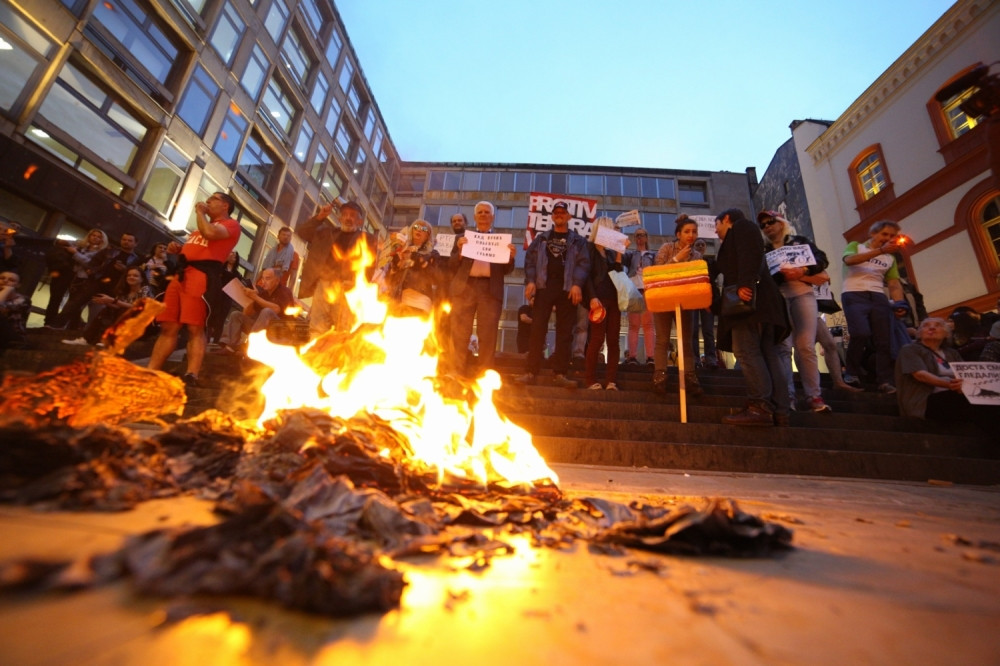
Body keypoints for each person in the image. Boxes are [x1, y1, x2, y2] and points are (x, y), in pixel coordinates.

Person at [148, 191, 240, 387]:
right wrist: (178, 250)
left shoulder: (230, 225)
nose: (207, 202)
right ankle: (152, 370)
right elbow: (198, 245)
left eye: (213, 199)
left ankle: (192, 373)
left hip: (202, 275)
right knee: (169, 325)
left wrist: (200, 213)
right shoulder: (198, 229)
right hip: (182, 274)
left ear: (225, 206)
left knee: (195, 326)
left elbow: (211, 234)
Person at [714, 208, 791, 426]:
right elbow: (720, 267)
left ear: (726, 219)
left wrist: (745, 283)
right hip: (762, 304)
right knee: (768, 355)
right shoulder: (734, 237)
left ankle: (760, 406)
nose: (716, 231)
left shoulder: (742, 227)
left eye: (717, 225)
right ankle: (780, 409)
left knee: (746, 351)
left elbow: (752, 252)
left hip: (750, 304)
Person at [759, 210, 832, 413]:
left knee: (806, 346)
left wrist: (803, 272)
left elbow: (821, 261)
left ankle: (813, 395)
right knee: (782, 347)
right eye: (763, 225)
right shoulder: (764, 250)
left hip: (803, 295)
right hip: (779, 298)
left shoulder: (800, 241)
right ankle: (787, 395)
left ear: (781, 222)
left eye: (770, 222)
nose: (767, 227)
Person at [515, 202, 590, 387]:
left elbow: (583, 264)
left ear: (568, 217)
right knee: (537, 329)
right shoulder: (541, 239)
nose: (559, 215)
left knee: (565, 332)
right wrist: (531, 281)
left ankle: (560, 373)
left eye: (562, 212)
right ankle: (531, 372)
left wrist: (577, 284)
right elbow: (530, 260)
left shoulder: (578, 241)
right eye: (556, 212)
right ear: (552, 217)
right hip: (543, 287)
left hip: (567, 289)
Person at [448, 201, 516, 377]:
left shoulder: (501, 242)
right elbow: (451, 265)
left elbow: (507, 270)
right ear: (475, 217)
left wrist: (510, 257)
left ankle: (484, 374)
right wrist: (460, 252)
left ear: (493, 217)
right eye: (480, 212)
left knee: (488, 332)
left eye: (487, 212)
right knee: (460, 332)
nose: (484, 215)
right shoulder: (462, 238)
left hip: (490, 289)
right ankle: (456, 370)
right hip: (465, 287)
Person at [297, 200, 377, 338]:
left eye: (352, 215)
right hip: (323, 286)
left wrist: (356, 285)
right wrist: (320, 217)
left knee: (343, 331)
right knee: (317, 328)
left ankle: (337, 359)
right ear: (339, 218)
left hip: (347, 289)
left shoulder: (367, 239)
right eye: (345, 214)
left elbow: (369, 268)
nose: (348, 218)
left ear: (359, 221)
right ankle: (316, 357)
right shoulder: (326, 233)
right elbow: (302, 232)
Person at [842, 220, 905, 393]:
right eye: (885, 234)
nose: (888, 238)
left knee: (883, 340)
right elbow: (849, 260)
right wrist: (880, 251)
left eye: (892, 236)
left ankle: (884, 380)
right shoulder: (856, 246)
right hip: (854, 293)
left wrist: (899, 303)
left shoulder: (889, 258)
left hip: (878, 296)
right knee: (860, 332)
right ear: (873, 234)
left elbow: (893, 283)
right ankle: (851, 372)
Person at [650, 215, 704, 396]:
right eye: (687, 231)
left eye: (694, 232)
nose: (691, 235)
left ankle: (690, 375)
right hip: (663, 300)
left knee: (686, 340)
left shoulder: (696, 255)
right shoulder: (666, 248)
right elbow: (657, 273)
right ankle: (660, 375)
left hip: (685, 303)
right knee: (663, 339)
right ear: (678, 234)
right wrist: (676, 260)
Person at [55, 232, 141, 331]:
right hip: (97, 281)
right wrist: (91, 272)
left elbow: (134, 273)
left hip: (115, 287)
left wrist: (124, 270)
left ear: (135, 243)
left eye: (129, 240)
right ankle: (57, 325)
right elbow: (94, 261)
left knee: (102, 312)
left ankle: (91, 332)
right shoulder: (110, 251)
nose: (126, 242)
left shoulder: (136, 259)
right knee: (76, 303)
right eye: (124, 239)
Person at [583, 218, 626, 390]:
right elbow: (585, 275)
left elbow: (618, 273)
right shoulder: (589, 249)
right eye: (607, 229)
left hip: (614, 300)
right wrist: (592, 297)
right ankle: (590, 380)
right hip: (598, 300)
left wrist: (619, 253)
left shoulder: (609, 253)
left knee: (614, 340)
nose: (610, 232)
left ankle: (611, 381)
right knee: (597, 339)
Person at [62, 267, 152, 347]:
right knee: (106, 310)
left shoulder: (145, 289)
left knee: (123, 311)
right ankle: (87, 339)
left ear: (142, 279)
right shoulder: (125, 291)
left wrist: (114, 301)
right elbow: (118, 307)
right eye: (129, 275)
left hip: (141, 321)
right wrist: (106, 302)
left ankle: (109, 340)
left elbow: (139, 307)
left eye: (135, 276)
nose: (131, 277)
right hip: (125, 316)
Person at [216, 267, 295, 353]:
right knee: (236, 315)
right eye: (263, 278)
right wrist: (250, 299)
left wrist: (256, 297)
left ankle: (251, 345)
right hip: (263, 328)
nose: (264, 281)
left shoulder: (284, 291)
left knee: (267, 311)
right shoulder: (263, 294)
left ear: (277, 281)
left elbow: (276, 309)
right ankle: (229, 346)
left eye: (267, 278)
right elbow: (247, 314)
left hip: (280, 329)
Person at [45, 229, 108, 329]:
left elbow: (89, 263)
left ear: (103, 240)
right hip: (71, 276)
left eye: (99, 237)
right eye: (93, 235)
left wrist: (75, 253)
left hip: (83, 279)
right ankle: (52, 323)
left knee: (74, 304)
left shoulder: (101, 252)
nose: (95, 238)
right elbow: (63, 243)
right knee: (59, 299)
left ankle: (67, 327)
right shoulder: (81, 246)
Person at [385, 219, 443, 317]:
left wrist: (419, 259)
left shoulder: (432, 254)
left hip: (419, 299)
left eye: (424, 228)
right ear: (411, 230)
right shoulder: (401, 250)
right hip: (397, 297)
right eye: (416, 227)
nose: (419, 230)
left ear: (428, 235)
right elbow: (389, 277)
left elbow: (436, 277)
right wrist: (395, 263)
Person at [623, 228, 656, 367]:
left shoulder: (653, 255)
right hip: (634, 290)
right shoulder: (631, 255)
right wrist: (622, 244)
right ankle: (632, 357)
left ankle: (650, 357)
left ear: (647, 238)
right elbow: (619, 257)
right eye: (637, 236)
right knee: (634, 325)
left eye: (642, 235)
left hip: (648, 290)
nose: (639, 238)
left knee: (648, 324)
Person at [689, 237, 718, 370]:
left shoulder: (711, 262)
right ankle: (695, 359)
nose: (700, 246)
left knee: (708, 330)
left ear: (705, 247)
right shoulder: (690, 262)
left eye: (702, 244)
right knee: (693, 330)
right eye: (698, 244)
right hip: (693, 298)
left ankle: (711, 359)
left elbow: (713, 279)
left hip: (707, 299)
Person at [0, 270, 31, 349]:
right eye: (2, 278)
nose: (5, 281)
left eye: (11, 280)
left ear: (18, 285)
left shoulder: (23, 300)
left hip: (14, 336)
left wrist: (7, 290)